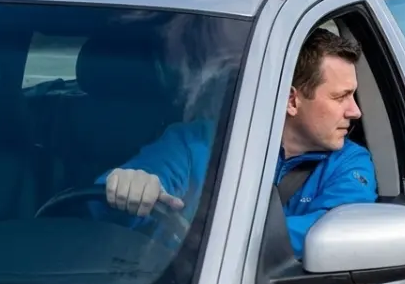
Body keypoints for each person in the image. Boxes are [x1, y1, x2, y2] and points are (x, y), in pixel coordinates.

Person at [100, 28, 378, 257]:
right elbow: (106, 196)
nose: (356, 111)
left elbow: (335, 233)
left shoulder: (350, 163)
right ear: (292, 100)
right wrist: (125, 186)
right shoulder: (193, 143)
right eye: (341, 97)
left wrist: (204, 240)